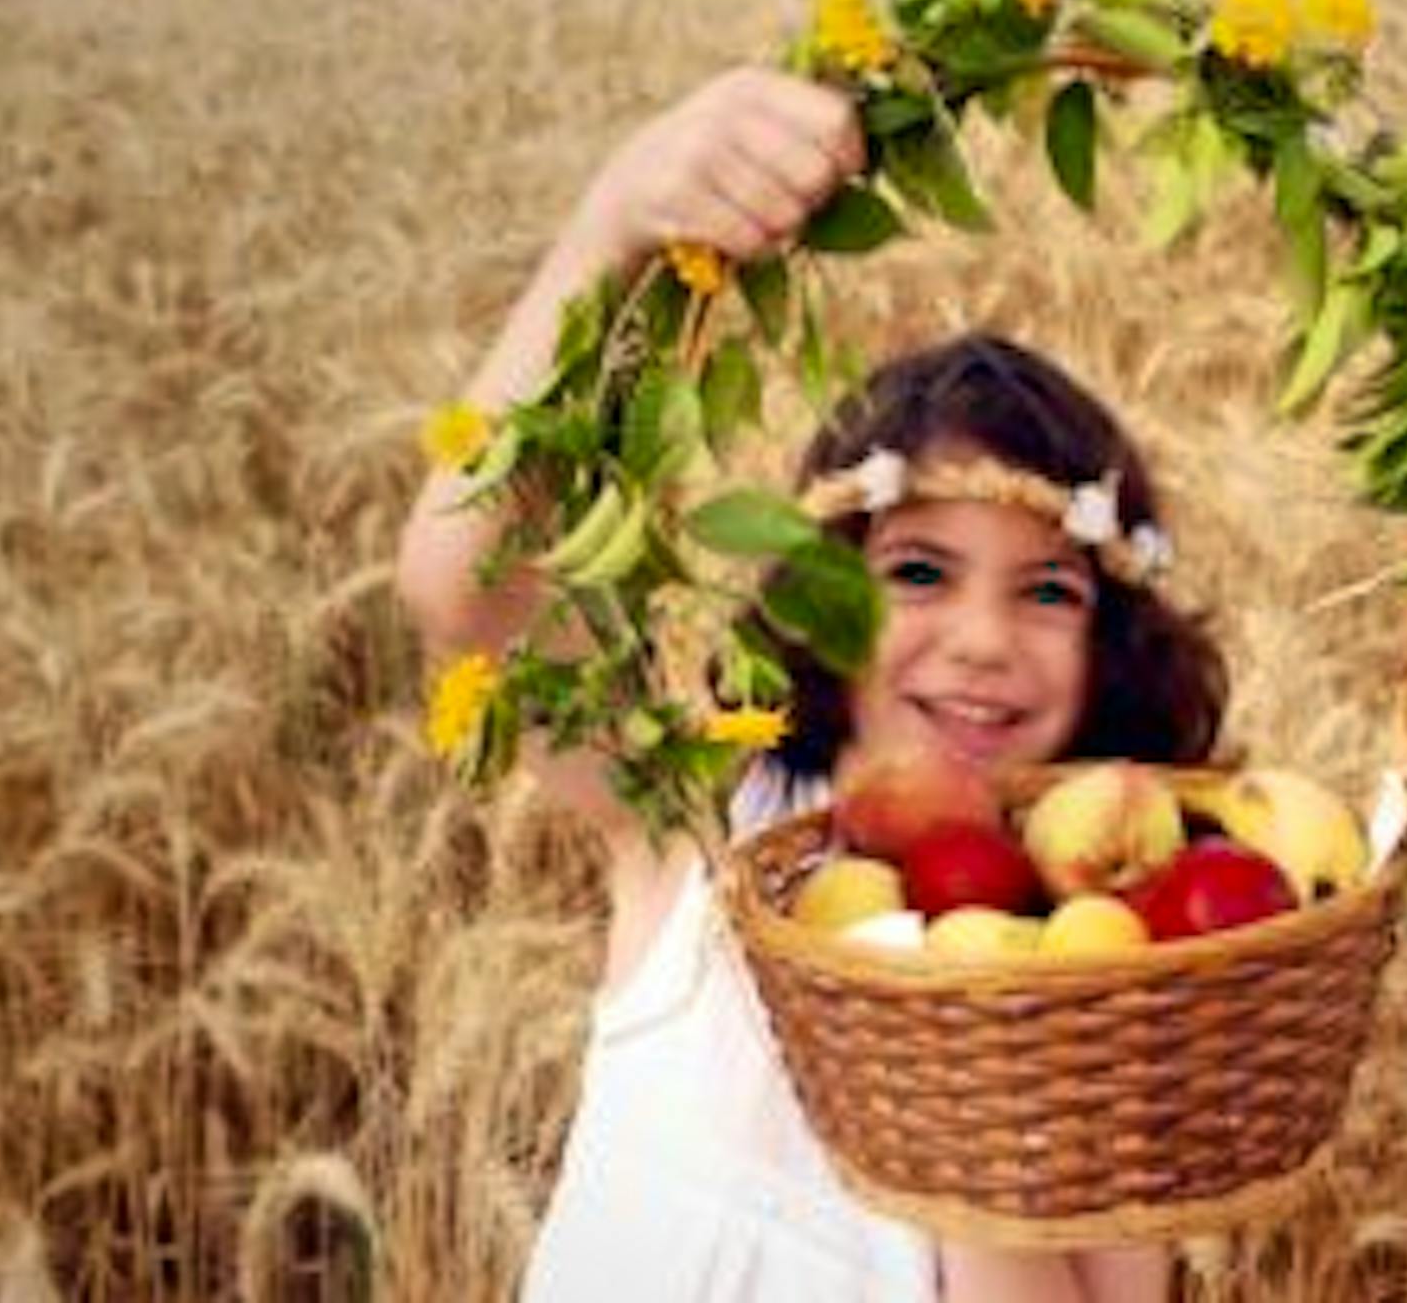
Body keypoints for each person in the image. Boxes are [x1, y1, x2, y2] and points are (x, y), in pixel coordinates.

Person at [396, 67, 1227, 1302]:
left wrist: (975, 1055)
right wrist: (615, 224)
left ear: (1112, 640)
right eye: (920, 572)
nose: (983, 638)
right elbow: (462, 586)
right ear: (821, 591)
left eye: (1048, 590)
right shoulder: (702, 823)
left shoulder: (1103, 986)